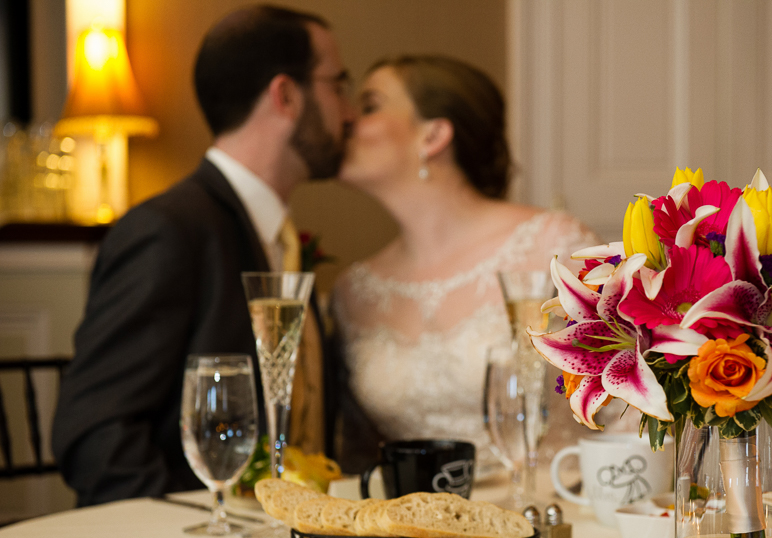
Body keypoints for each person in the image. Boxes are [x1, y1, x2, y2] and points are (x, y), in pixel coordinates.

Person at [52, 6, 353, 506]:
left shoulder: (277, 234)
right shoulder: (168, 231)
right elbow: (95, 436)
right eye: (337, 84)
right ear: (286, 95)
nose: (347, 113)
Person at [332, 55, 598, 472]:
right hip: (421, 529)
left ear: (433, 135)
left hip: (561, 517)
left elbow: (630, 408)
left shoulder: (553, 245)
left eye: (370, 106)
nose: (346, 120)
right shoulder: (354, 292)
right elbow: (360, 454)